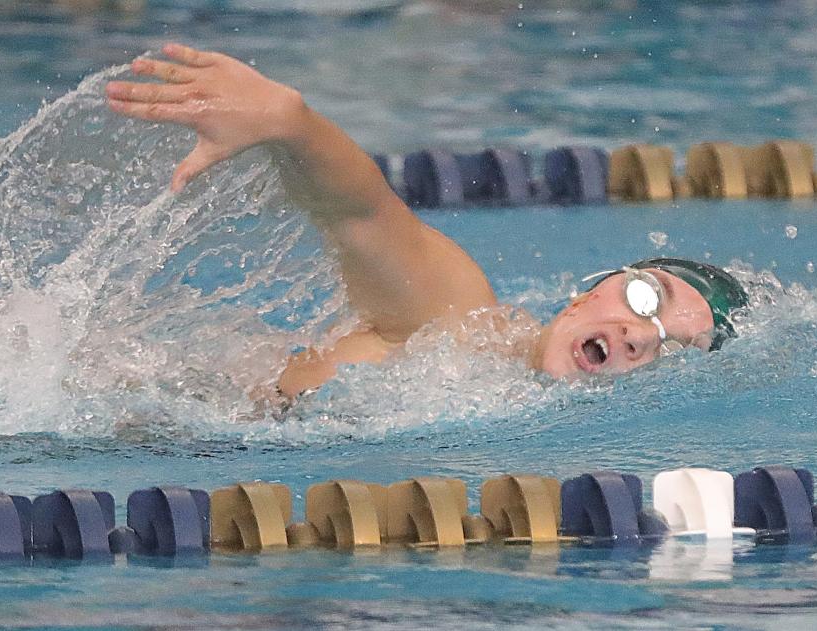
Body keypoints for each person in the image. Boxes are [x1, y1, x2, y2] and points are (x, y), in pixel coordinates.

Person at [105, 43, 748, 400]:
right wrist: (290, 123)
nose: (640, 335)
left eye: (673, 348)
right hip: (137, 405)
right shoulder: (459, 325)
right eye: (645, 298)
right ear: (589, 291)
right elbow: (362, 212)